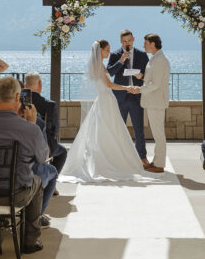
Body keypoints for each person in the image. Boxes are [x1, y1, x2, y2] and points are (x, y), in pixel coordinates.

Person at [0, 76, 50, 255]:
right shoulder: (29, 129)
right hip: (16, 195)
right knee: (36, 181)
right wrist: (32, 124)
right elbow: (42, 158)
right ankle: (30, 240)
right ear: (17, 97)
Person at [60, 41, 151, 182]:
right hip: (105, 100)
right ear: (100, 51)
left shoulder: (96, 66)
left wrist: (120, 61)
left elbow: (108, 73)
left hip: (103, 100)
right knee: (111, 131)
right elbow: (109, 84)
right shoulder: (98, 66)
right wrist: (127, 88)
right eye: (107, 50)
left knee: (102, 132)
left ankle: (104, 157)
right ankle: (109, 160)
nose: (109, 53)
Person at [106, 29, 150, 166]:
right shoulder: (115, 55)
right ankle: (118, 157)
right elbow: (110, 72)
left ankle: (142, 157)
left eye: (129, 40)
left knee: (139, 129)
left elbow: (148, 75)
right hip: (120, 97)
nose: (127, 43)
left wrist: (141, 76)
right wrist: (120, 61)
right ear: (121, 41)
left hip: (136, 95)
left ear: (133, 39)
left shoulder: (142, 55)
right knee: (119, 128)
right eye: (124, 41)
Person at [134, 33, 170, 173]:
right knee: (157, 133)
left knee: (159, 134)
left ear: (153, 44)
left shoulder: (159, 60)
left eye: (146, 43)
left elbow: (156, 84)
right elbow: (152, 80)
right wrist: (142, 77)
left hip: (156, 102)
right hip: (153, 101)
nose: (143, 46)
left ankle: (160, 165)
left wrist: (140, 89)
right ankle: (156, 161)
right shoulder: (156, 58)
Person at [23, 72, 68, 177]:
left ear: (25, 86)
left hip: (24, 143)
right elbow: (54, 130)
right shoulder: (50, 104)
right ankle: (51, 179)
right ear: (40, 84)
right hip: (45, 145)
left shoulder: (20, 103)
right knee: (62, 152)